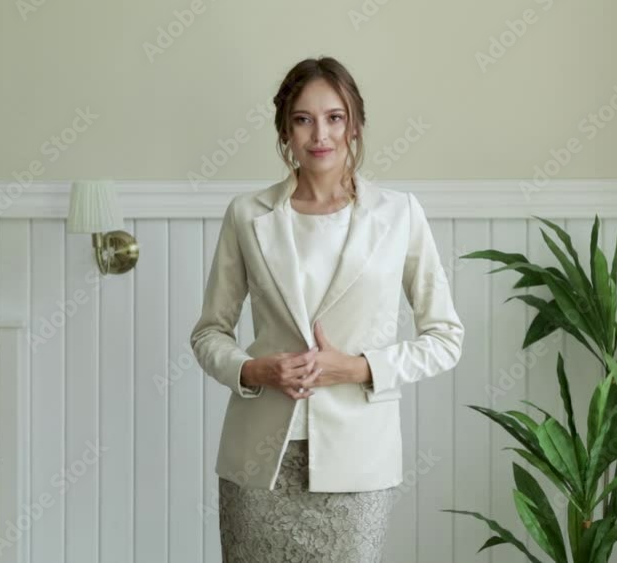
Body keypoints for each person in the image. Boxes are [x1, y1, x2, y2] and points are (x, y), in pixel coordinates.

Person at [189, 56, 464, 562]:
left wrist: (358, 368)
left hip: (357, 462)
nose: (321, 134)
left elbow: (446, 338)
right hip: (258, 463)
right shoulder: (247, 215)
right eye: (303, 119)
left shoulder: (399, 214)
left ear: (354, 125)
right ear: (284, 130)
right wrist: (253, 370)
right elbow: (209, 333)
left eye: (335, 117)